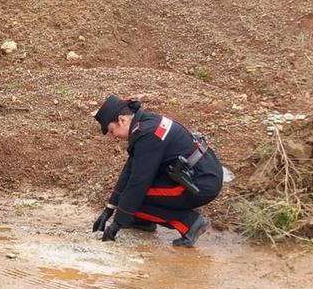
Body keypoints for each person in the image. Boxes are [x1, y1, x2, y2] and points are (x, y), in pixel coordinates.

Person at [91, 94, 223, 246]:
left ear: (122, 120)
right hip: (198, 174)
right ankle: (142, 221)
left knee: (134, 198)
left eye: (112, 131)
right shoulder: (145, 123)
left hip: (200, 183)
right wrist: (108, 210)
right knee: (129, 199)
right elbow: (130, 170)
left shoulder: (148, 135)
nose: (114, 136)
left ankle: (190, 223)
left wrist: (117, 224)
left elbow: (138, 183)